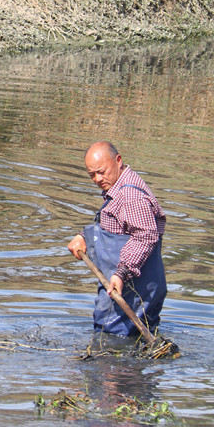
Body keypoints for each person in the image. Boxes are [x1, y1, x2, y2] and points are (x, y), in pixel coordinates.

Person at [67, 141, 166, 336]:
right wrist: (83, 236)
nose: (97, 179)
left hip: (131, 288)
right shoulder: (117, 188)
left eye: (101, 171)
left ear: (118, 160)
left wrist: (121, 274)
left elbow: (145, 236)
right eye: (92, 175)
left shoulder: (131, 196)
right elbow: (115, 223)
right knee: (133, 345)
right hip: (131, 285)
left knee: (111, 342)